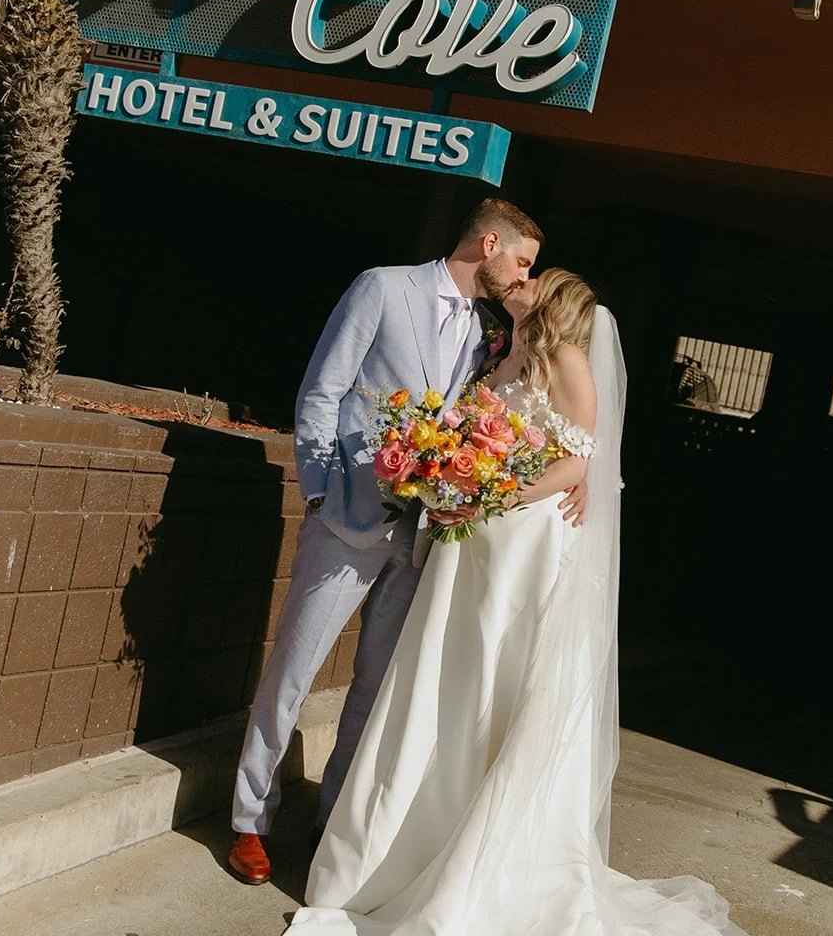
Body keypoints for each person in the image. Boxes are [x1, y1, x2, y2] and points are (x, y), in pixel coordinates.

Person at [271, 270, 826, 936]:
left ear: (554, 302)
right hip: (475, 539)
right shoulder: (510, 349)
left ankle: (461, 866)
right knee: (441, 696)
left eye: (534, 278)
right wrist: (453, 470)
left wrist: (487, 490)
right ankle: (391, 851)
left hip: (520, 544)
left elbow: (580, 458)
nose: (518, 284)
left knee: (493, 696)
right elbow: (482, 427)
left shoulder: (569, 357)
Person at [230, 198, 590, 884]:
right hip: (346, 518)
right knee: (292, 677)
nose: (524, 278)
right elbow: (323, 390)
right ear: (489, 244)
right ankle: (251, 819)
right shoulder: (382, 286)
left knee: (374, 689)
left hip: (428, 537)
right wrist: (317, 488)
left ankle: (332, 820)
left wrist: (586, 473)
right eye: (521, 261)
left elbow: (533, 428)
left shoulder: (493, 333)